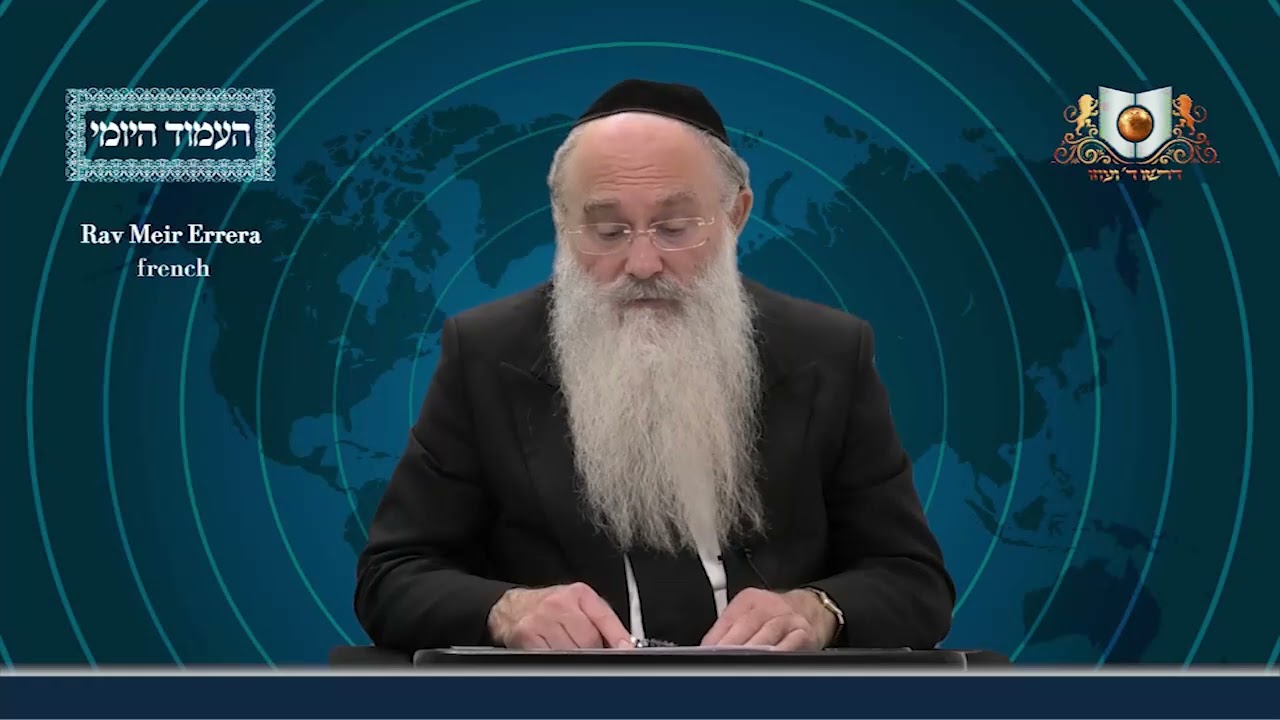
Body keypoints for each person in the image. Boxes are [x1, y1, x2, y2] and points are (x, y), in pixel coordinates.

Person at [354, 78, 954, 653]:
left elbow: (914, 579)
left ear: (736, 214)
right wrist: (505, 609)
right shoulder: (486, 353)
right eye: (607, 230)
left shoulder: (829, 351)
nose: (642, 264)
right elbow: (392, 576)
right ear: (563, 224)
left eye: (674, 227)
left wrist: (819, 610)